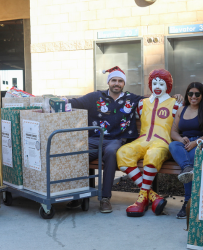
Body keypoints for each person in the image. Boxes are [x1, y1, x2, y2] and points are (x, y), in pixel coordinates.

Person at [67, 66, 183, 213]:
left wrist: (176, 97)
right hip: (95, 139)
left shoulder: (132, 99)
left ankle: (105, 199)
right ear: (109, 82)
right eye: (114, 80)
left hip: (116, 140)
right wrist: (55, 102)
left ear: (124, 84)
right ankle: (77, 195)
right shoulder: (95, 97)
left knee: (111, 153)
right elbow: (75, 103)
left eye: (120, 81)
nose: (117, 83)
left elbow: (157, 101)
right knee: (75, 153)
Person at [116, 69, 183, 217]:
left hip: (162, 142)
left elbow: (195, 113)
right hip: (142, 140)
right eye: (154, 83)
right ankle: (152, 196)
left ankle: (141, 200)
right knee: (122, 152)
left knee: (152, 155)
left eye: (161, 83)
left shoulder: (175, 103)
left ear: (168, 86)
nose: (157, 86)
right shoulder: (142, 103)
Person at [169, 82, 203, 219]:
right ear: (187, 94)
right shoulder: (182, 109)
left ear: (202, 95)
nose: (193, 96)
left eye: (197, 94)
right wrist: (181, 139)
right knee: (173, 145)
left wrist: (196, 142)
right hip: (186, 143)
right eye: (190, 93)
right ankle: (187, 168)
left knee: (192, 157)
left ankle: (188, 202)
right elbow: (174, 132)